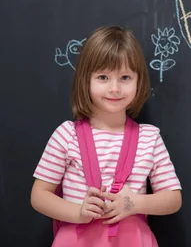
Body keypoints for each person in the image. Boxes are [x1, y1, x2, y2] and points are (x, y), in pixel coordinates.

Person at [30, 26, 182, 246]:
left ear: (138, 81)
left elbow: (173, 199)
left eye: (125, 77)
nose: (114, 88)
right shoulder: (66, 135)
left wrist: (134, 204)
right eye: (103, 77)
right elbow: (39, 195)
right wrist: (78, 212)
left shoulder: (150, 138)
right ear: (86, 80)